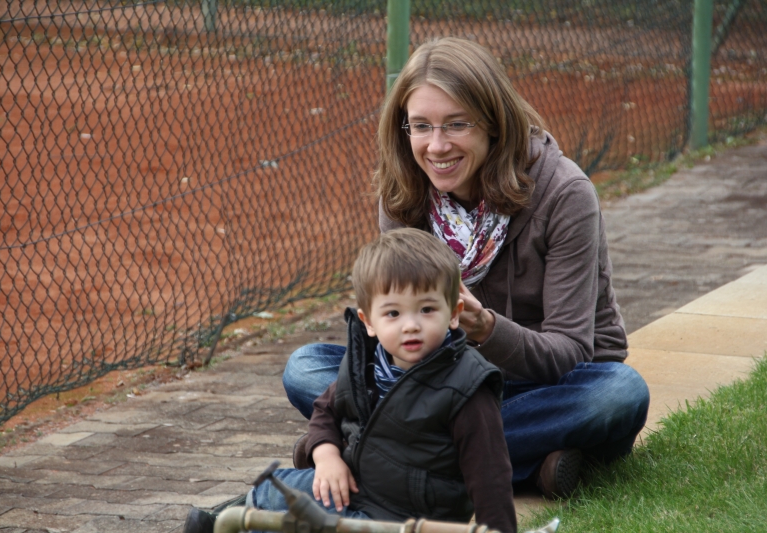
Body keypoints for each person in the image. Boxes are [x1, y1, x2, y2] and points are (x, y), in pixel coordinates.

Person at [283, 37, 650, 499]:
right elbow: (393, 337)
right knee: (305, 367)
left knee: (619, 393)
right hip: (439, 384)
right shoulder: (403, 195)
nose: (437, 146)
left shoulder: (564, 193)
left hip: (545, 387)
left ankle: (385, 455)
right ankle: (520, 463)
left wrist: (484, 328)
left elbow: (569, 352)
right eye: (421, 126)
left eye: (457, 124)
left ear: (493, 122)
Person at [184, 228, 517, 533]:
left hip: (408, 520)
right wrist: (326, 456)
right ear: (368, 321)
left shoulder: (467, 386)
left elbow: (490, 477)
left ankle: (236, 525)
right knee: (274, 489)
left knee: (292, 518)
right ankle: (225, 520)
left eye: (427, 309)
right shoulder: (366, 365)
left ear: (454, 313)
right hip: (357, 487)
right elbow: (326, 410)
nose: (411, 325)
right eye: (393, 313)